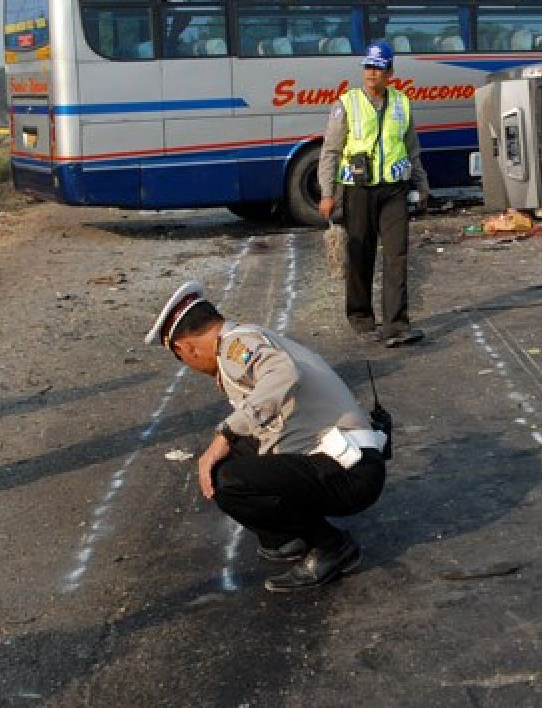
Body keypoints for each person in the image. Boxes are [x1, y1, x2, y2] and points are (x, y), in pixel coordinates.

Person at [146, 281, 387, 592]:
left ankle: (331, 546)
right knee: (235, 457)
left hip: (352, 472)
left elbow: (283, 374)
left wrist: (225, 433)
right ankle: (287, 536)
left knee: (227, 479)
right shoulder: (242, 341)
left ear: (185, 348)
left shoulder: (236, 348)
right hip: (347, 460)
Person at [317, 40, 429, 348]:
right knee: (360, 254)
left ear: (390, 72)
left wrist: (422, 183)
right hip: (358, 190)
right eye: (368, 67)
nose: (371, 73)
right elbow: (331, 151)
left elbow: (411, 149)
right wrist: (327, 193)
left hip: (394, 190)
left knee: (397, 255)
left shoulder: (402, 104)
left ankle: (396, 325)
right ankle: (361, 318)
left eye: (378, 68)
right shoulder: (346, 104)